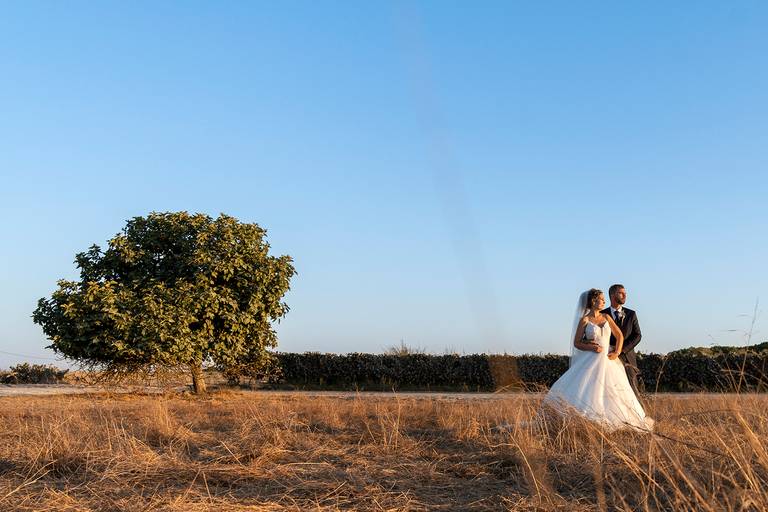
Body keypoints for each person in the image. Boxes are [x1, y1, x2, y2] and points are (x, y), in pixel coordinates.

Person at [541, 288, 653, 431]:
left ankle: (617, 420)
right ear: (593, 301)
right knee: (588, 389)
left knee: (616, 390)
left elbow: (619, 336)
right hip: (590, 360)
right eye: (601, 299)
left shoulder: (606, 317)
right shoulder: (585, 320)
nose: (604, 301)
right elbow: (577, 343)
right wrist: (590, 347)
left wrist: (617, 352)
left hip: (608, 360)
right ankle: (586, 422)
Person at [601, 284, 643, 397]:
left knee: (633, 391)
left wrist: (621, 350)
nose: (624, 295)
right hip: (607, 358)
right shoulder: (602, 314)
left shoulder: (631, 314)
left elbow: (637, 335)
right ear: (612, 295)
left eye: (625, 293)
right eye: (621, 293)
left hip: (627, 358)